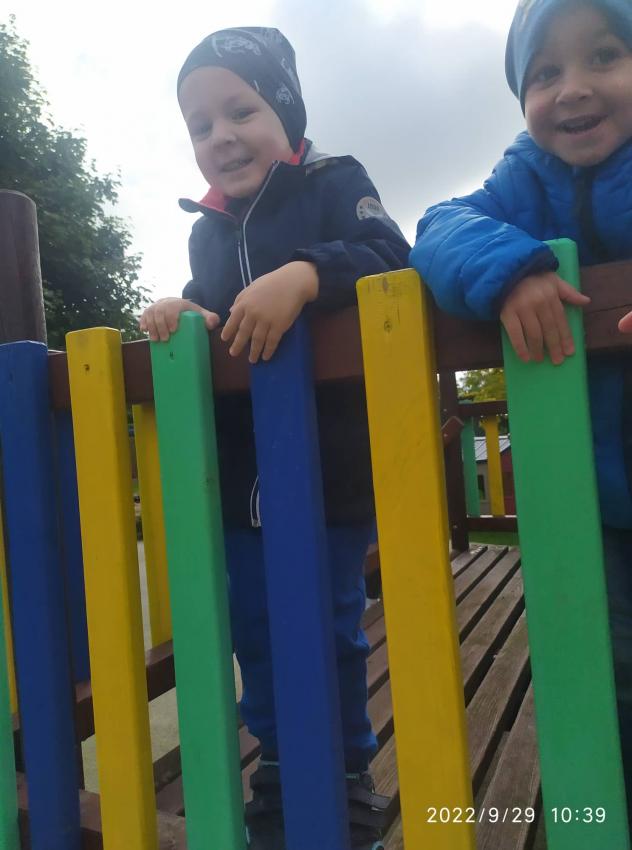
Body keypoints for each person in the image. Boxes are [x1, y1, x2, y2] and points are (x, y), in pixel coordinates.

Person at [140, 26, 409, 850]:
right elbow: (213, 309)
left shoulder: (333, 182)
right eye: (200, 125)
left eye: (241, 111)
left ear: (286, 112)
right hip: (239, 472)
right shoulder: (208, 228)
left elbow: (389, 256)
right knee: (253, 623)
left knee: (327, 621)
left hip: (325, 468)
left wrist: (306, 274)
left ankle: (348, 771)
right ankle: (284, 767)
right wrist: (184, 311)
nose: (221, 136)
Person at [410, 0, 632, 824]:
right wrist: (513, 267)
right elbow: (438, 226)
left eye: (604, 56)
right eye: (544, 73)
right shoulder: (525, 180)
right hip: (591, 502)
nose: (572, 88)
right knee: (606, 678)